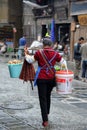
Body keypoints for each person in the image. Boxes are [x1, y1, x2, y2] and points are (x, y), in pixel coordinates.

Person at [24, 37, 67, 127]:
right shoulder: (56, 53)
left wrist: (26, 54)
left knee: (42, 98)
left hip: (41, 78)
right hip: (51, 78)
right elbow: (63, 62)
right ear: (51, 45)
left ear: (43, 45)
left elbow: (30, 60)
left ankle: (45, 120)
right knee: (48, 95)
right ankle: (47, 112)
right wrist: (61, 71)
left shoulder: (39, 53)